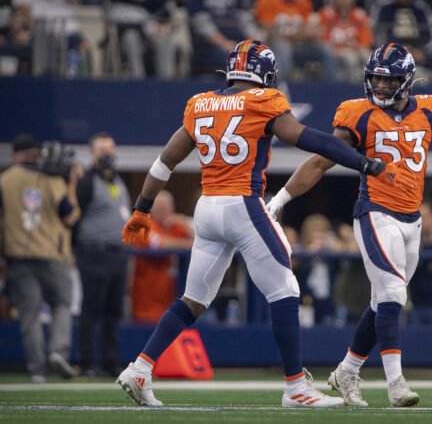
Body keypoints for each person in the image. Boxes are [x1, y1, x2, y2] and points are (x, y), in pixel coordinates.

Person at [115, 39, 414, 408]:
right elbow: (311, 141)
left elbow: (164, 162)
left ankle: (139, 369)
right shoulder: (263, 101)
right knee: (286, 290)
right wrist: (363, 163)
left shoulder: (200, 103)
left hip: (206, 209)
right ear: (265, 74)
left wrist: (142, 209)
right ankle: (295, 387)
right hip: (243, 204)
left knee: (192, 300)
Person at [265, 43, 432, 406]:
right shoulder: (358, 113)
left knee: (382, 301)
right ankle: (396, 383)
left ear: (407, 81)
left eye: (390, 81)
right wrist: (281, 199)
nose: (381, 88)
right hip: (374, 212)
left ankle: (347, 371)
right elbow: (321, 163)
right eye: (376, 80)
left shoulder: (429, 110)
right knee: (395, 294)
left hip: (411, 220)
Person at [0, 134, 82, 383]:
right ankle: (58, 352)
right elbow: (71, 217)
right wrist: (73, 184)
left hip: (17, 256)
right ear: (36, 153)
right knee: (61, 303)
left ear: (15, 155)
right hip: (51, 254)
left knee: (30, 313)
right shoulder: (53, 180)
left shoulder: (4, 180)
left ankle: (37, 370)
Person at [73, 132, 130, 378]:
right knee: (92, 308)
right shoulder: (86, 181)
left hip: (117, 253)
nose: (107, 154)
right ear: (92, 154)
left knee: (113, 310)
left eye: (110, 149)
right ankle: (86, 362)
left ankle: (110, 362)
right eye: (101, 149)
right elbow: (73, 218)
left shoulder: (117, 180)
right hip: (94, 252)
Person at [131, 190, 193, 322]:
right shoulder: (143, 226)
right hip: (146, 308)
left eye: (167, 207)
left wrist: (183, 221)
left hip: (171, 305)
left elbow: (200, 243)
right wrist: (186, 244)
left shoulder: (175, 228)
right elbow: (160, 243)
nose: (164, 210)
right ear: (151, 209)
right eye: (159, 207)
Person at [317, 0, 373, 83]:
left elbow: (366, 42)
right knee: (350, 58)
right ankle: (349, 88)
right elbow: (321, 41)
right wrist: (339, 49)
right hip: (334, 50)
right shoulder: (326, 14)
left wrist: (354, 48)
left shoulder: (360, 15)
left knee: (368, 57)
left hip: (355, 49)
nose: (342, 0)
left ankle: (368, 88)